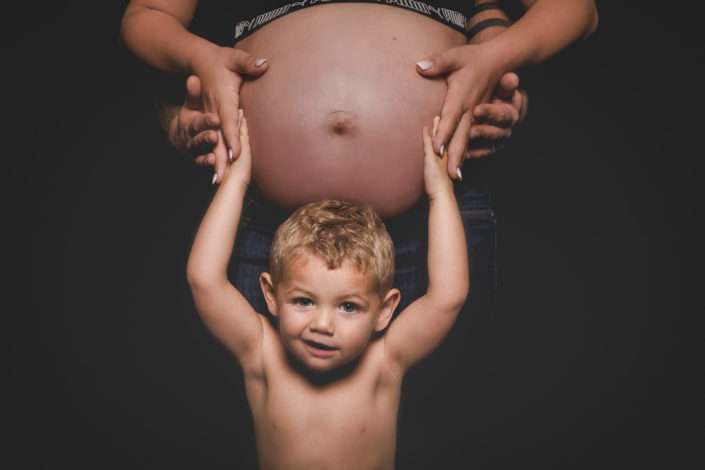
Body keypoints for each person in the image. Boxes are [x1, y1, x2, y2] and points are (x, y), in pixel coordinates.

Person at [120, 1, 598, 312]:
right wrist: (198, 55)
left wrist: (496, 58)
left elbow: (579, 10)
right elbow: (145, 15)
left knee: (445, 418)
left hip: (437, 209)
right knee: (268, 422)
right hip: (265, 216)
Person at [186, 111, 468, 469]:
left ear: (385, 309)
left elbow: (449, 297)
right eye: (303, 301)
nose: (322, 324)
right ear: (271, 295)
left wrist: (440, 192)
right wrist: (237, 181)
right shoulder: (261, 354)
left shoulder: (385, 362)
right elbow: (204, 280)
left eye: (348, 307)